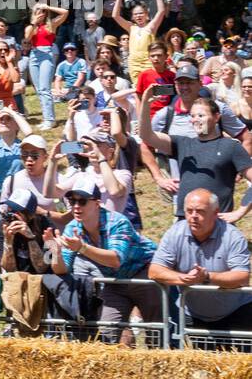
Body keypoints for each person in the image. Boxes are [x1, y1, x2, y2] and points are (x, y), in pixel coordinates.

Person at [47, 180, 158, 347]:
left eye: (82, 201)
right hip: (114, 282)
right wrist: (56, 254)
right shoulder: (72, 228)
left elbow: (115, 260)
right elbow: (62, 270)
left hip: (144, 275)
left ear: (97, 203)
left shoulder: (118, 222)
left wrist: (82, 248)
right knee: (106, 337)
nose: (76, 206)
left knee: (157, 334)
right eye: (72, 201)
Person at [140, 77, 252, 214]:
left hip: (218, 224)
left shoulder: (230, 147)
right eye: (193, 116)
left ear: (217, 117)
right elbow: (147, 136)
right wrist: (145, 103)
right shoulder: (182, 144)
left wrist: (240, 212)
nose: (196, 120)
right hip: (184, 221)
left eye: (201, 115)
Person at [149, 189, 252, 332]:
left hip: (235, 312)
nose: (193, 216)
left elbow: (242, 277)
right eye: (189, 211)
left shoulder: (233, 236)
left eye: (200, 211)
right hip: (192, 313)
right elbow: (154, 271)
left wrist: (207, 277)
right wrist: (185, 278)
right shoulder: (174, 233)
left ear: (215, 213)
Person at [25, 1, 72, 129]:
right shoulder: (31, 26)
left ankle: (50, 120)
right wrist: (34, 22)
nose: (41, 13)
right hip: (34, 54)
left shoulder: (51, 25)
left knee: (45, 88)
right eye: (38, 11)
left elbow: (65, 12)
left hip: (47, 53)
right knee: (39, 89)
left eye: (43, 11)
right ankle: (47, 118)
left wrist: (48, 7)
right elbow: (27, 38)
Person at [111, 0, 169, 84]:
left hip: (149, 62)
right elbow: (115, 15)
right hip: (134, 63)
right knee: (138, 89)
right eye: (135, 14)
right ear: (132, 17)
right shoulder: (131, 27)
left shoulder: (151, 27)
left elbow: (161, 11)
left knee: (153, 87)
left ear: (147, 15)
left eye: (141, 13)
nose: (138, 16)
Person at [0, 188, 51, 274]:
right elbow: (9, 269)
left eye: (17, 211)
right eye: (10, 208)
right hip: (16, 280)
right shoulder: (2, 226)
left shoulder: (47, 226)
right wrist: (8, 243)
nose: (11, 214)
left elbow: (43, 268)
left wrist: (30, 238)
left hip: (43, 279)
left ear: (31, 215)